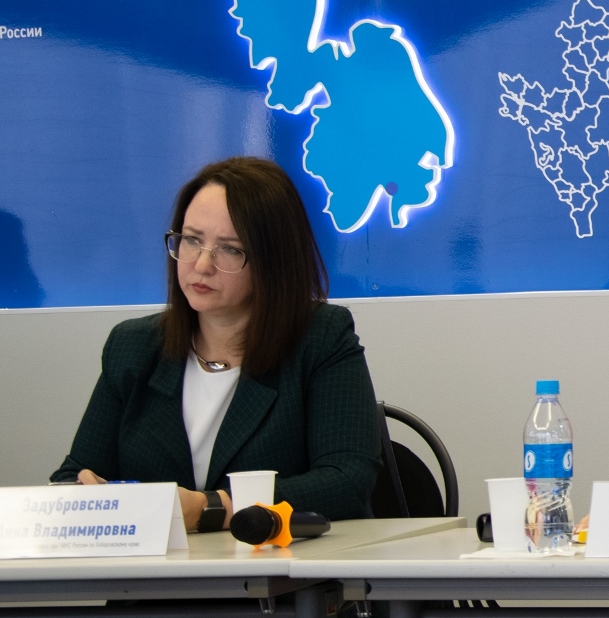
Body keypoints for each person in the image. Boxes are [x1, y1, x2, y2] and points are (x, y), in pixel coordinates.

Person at [51, 157, 381, 531]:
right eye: (192, 240)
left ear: (274, 260)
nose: (202, 264)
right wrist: (85, 495)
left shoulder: (321, 337)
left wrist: (213, 508)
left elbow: (347, 481)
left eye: (230, 248)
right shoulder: (133, 346)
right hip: (159, 569)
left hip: (281, 565)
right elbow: (75, 476)